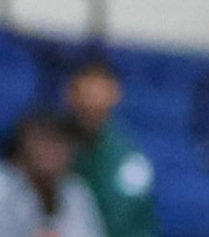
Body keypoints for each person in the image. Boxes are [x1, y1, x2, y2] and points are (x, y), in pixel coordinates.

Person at [61, 61, 156, 237]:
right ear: (70, 96)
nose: (91, 110)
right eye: (86, 104)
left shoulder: (129, 159)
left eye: (98, 107)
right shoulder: (48, 148)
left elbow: (134, 224)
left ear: (115, 97)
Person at [0, 111, 108, 237]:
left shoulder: (76, 192)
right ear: (22, 146)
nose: (51, 152)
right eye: (43, 141)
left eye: (59, 142)